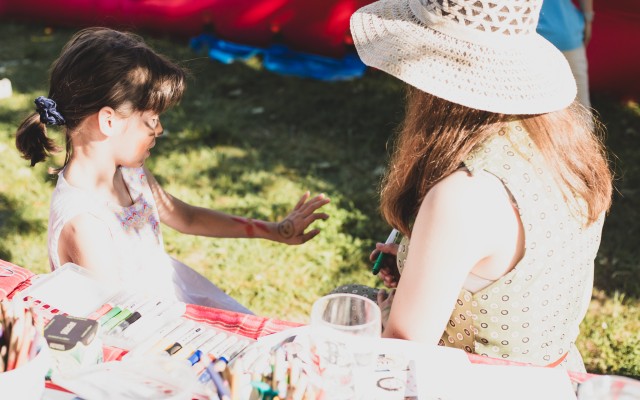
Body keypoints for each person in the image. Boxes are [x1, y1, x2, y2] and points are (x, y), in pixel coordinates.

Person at [336, 0, 613, 372]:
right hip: (558, 374)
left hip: (479, 385)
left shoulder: (464, 194)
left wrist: (387, 311)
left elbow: (402, 351)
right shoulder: (569, 149)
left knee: (344, 308)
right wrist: (420, 260)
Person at [15, 27, 330, 314]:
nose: (160, 129)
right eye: (151, 119)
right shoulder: (84, 224)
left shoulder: (128, 173)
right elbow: (116, 323)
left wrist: (275, 230)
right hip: (141, 337)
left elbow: (187, 217)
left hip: (170, 304)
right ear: (108, 121)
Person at [537, 0, 594, 108]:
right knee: (581, 111)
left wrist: (588, 18)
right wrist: (588, 18)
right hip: (566, 31)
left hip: (563, 33)